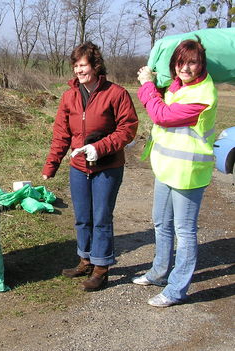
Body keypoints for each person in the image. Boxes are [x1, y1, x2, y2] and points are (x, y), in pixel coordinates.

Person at [42, 42, 138, 291]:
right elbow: (61, 134)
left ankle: (101, 268)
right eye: (75, 66)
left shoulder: (116, 93)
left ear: (95, 65)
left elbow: (128, 128)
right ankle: (85, 259)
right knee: (82, 218)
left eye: (82, 65)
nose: (78, 70)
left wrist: (101, 147)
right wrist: (51, 165)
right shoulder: (69, 96)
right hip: (78, 167)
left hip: (108, 167)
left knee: (101, 218)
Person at [133, 38, 217, 307]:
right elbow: (159, 102)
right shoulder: (178, 86)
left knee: (185, 231)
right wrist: (152, 81)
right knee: (161, 222)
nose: (186, 67)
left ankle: (176, 290)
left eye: (192, 62)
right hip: (167, 168)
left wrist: (147, 85)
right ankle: (159, 273)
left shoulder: (203, 94)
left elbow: (162, 116)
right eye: (181, 62)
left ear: (201, 63)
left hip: (189, 173)